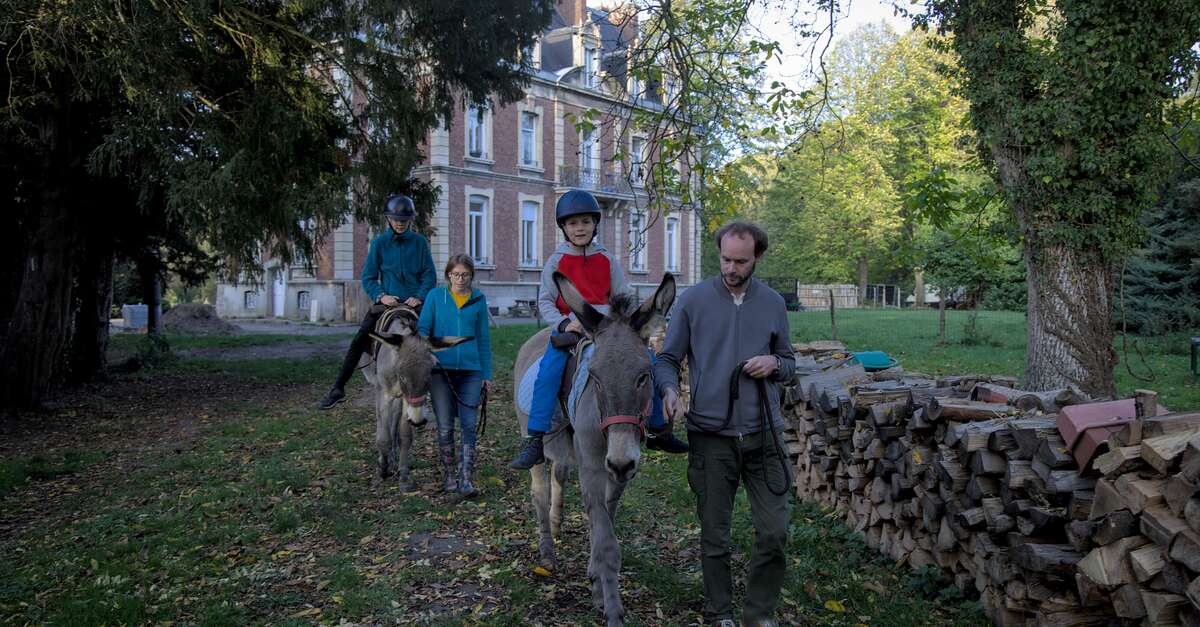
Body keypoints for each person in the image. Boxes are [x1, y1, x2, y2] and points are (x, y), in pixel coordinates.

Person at [653, 220, 797, 627]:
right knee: (715, 536)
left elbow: (789, 364)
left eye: (741, 261)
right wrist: (668, 392)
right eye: (725, 259)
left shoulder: (772, 303)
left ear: (758, 258)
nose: (731, 269)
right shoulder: (694, 301)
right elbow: (666, 360)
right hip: (710, 437)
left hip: (764, 434)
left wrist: (774, 363)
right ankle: (720, 614)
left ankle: (759, 614)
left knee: (774, 533)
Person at [509, 190, 688, 469]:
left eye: (585, 221)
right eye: (572, 223)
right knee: (549, 372)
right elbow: (545, 301)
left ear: (595, 224)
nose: (579, 228)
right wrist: (565, 323)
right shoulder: (556, 262)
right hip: (571, 329)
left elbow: (623, 295)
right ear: (563, 227)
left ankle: (657, 429)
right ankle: (536, 438)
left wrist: (629, 326)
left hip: (607, 331)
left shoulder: (607, 259)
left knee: (648, 364)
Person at [317, 194, 437, 410]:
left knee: (433, 341)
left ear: (410, 220)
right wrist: (382, 296)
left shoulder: (419, 243)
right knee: (359, 339)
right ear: (388, 219)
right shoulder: (379, 243)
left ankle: (438, 392)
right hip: (387, 304)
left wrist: (419, 296)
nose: (400, 223)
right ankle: (338, 388)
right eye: (396, 219)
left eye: (404, 219)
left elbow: (429, 274)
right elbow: (368, 277)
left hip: (414, 304)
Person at [417, 254, 492, 496]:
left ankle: (466, 478)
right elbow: (422, 330)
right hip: (441, 371)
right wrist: (428, 352)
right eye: (455, 274)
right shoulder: (435, 297)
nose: (460, 279)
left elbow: (483, 339)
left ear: (472, 276)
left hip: (472, 371)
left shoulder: (479, 299)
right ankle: (449, 475)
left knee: (469, 425)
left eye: (465, 275)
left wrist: (486, 374)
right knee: (445, 426)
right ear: (448, 274)